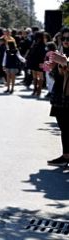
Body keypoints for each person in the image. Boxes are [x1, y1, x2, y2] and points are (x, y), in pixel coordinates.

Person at [46, 28, 69, 167]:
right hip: (61, 94)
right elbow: (57, 76)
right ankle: (66, 155)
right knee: (63, 126)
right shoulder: (61, 52)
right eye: (64, 39)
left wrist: (65, 63)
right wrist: (53, 67)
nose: (66, 41)